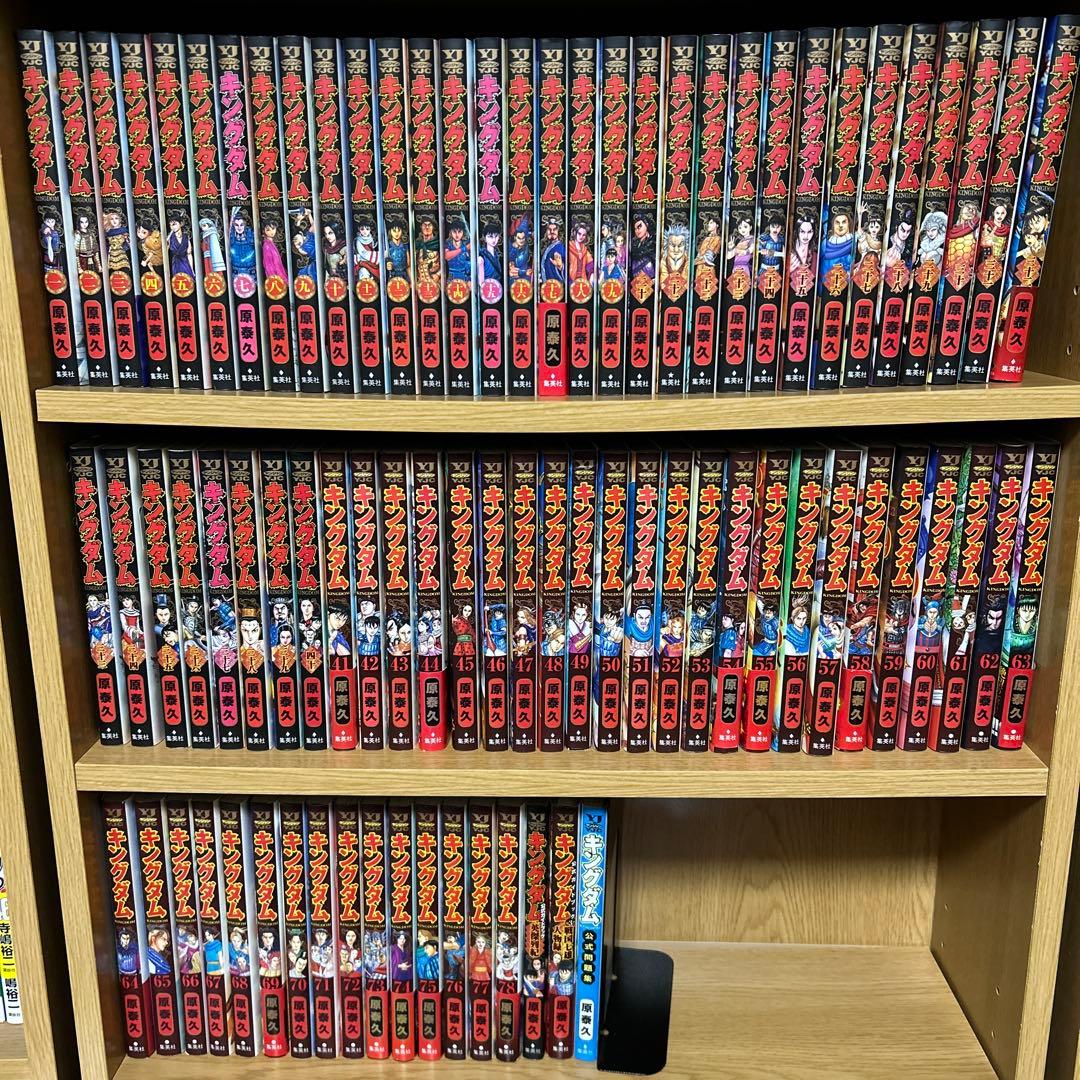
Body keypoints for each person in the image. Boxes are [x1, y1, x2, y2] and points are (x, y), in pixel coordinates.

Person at [167, 213, 195, 279]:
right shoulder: (169, 238)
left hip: (186, 264)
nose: (172, 227)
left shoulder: (186, 237)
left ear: (181, 224)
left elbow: (189, 254)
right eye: (170, 225)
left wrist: (192, 269)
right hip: (176, 264)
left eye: (174, 224)